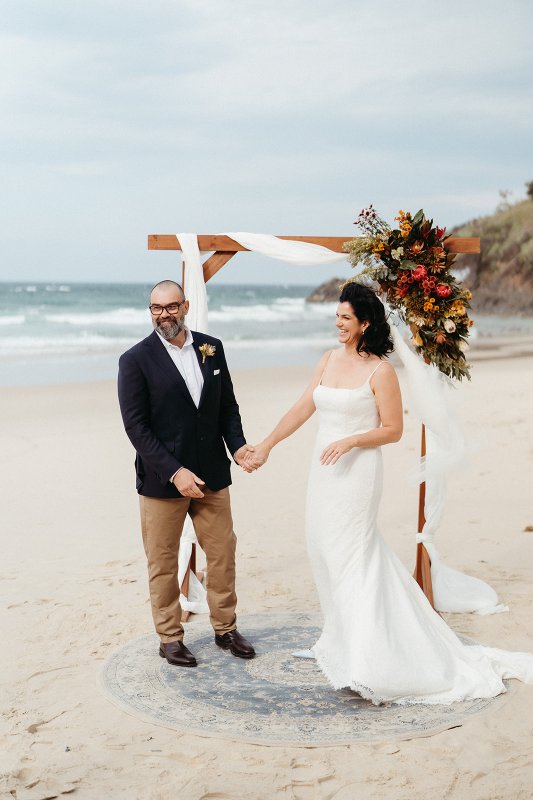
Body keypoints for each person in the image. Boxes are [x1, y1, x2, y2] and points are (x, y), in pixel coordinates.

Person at [246, 282, 533, 704]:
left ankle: (368, 656)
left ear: (365, 323)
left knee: (353, 555)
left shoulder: (381, 371)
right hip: (322, 472)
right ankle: (339, 638)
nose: (338, 325)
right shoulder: (327, 360)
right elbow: (303, 407)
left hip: (357, 471)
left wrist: (350, 441)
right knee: (323, 550)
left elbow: (393, 429)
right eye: (336, 317)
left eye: (345, 318)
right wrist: (267, 444)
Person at [118, 279, 256, 668]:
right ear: (151, 312)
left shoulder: (212, 348)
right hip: (162, 481)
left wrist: (239, 446)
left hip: (213, 473)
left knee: (223, 553)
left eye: (171, 306)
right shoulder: (135, 360)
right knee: (162, 562)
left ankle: (226, 629)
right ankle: (169, 637)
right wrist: (175, 471)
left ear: (186, 306)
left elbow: (227, 406)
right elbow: (136, 428)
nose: (164, 315)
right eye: (156, 309)